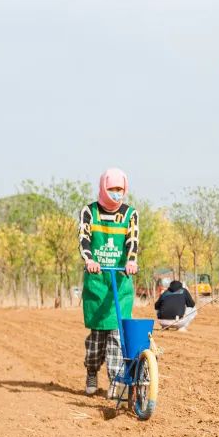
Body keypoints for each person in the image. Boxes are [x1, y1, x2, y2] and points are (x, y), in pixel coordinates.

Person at [79, 168, 139, 398]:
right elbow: (84, 239)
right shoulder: (89, 211)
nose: (117, 194)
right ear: (104, 188)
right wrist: (90, 259)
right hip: (97, 283)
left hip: (120, 284)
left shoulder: (129, 214)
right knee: (96, 341)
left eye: (120, 190)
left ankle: (116, 382)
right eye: (112, 189)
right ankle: (92, 371)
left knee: (116, 337)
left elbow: (132, 241)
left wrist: (131, 261)